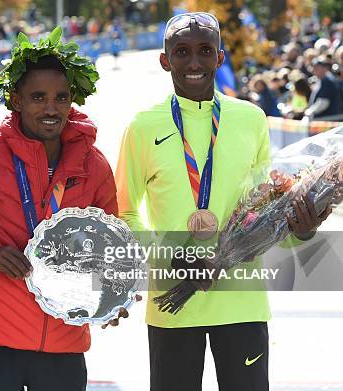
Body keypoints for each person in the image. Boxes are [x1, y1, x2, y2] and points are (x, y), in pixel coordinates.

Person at [115, 12, 332, 391]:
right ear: (165, 60)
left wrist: (303, 229)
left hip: (242, 301)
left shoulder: (250, 119)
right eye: (182, 51)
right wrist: (169, 256)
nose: (194, 62)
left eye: (205, 51)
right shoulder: (142, 126)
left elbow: (269, 211)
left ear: (219, 57)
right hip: (173, 303)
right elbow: (123, 212)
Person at [0, 28, 117, 391]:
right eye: (38, 97)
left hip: (64, 342)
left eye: (61, 97)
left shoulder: (92, 165)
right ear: (15, 99)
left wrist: (108, 293)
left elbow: (111, 242)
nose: (51, 108)